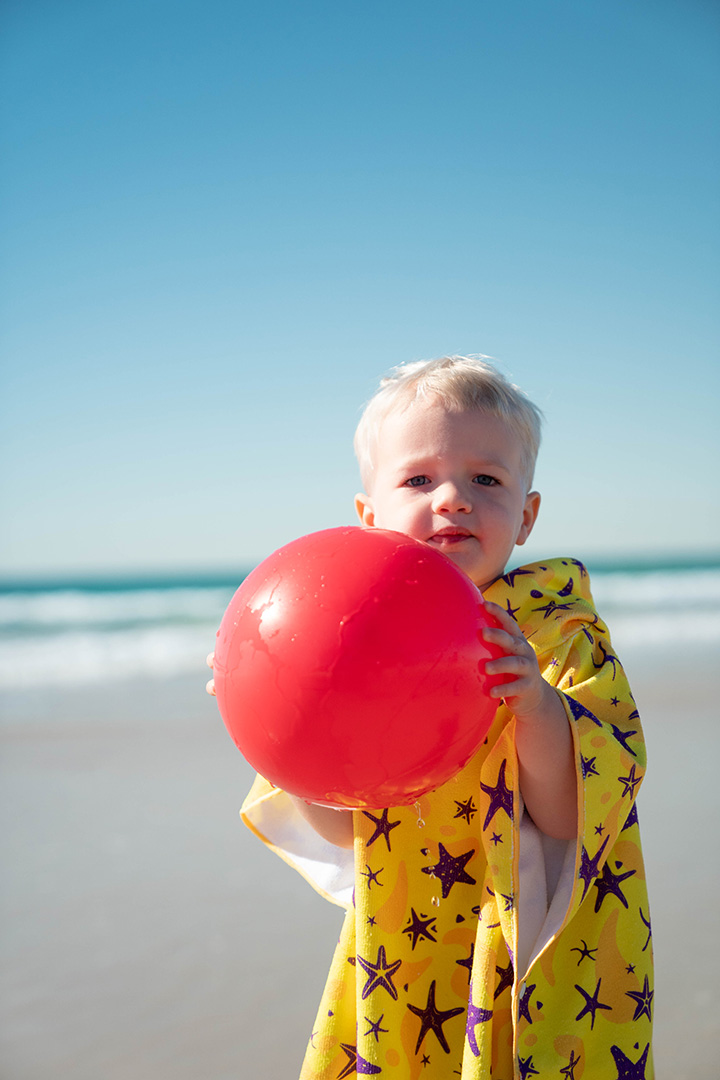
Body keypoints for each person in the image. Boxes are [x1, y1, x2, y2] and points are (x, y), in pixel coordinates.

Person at [214, 356, 654, 1079]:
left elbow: (574, 816)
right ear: (368, 517)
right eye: (419, 479)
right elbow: (345, 826)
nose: (453, 499)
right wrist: (277, 718)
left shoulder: (560, 636)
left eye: (487, 479)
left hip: (524, 951)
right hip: (407, 946)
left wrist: (537, 703)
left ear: (527, 515)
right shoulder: (356, 640)